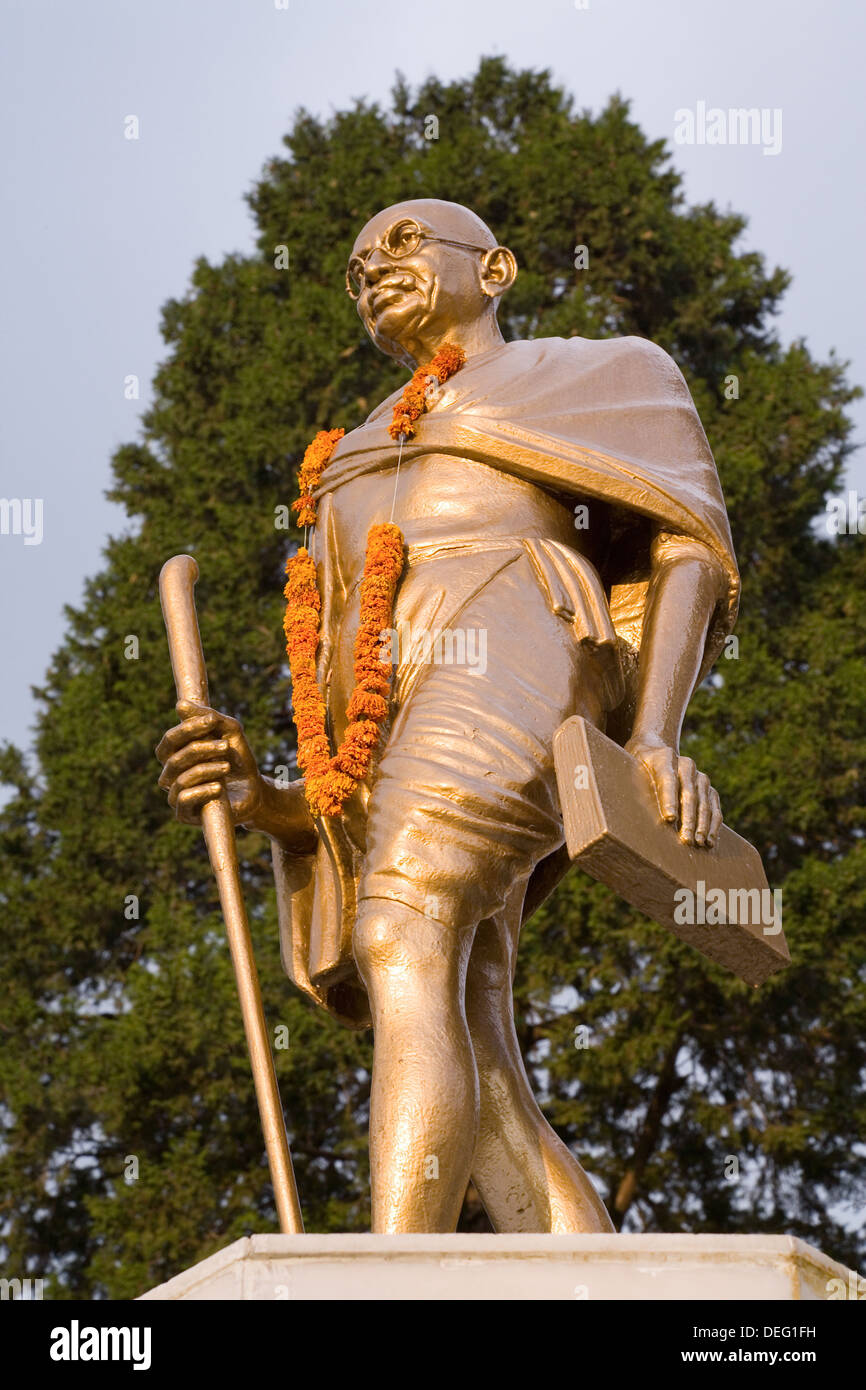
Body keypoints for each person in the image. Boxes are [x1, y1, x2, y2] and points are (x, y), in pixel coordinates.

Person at [156, 199, 738, 1234]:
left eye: (402, 244)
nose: (372, 270)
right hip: (392, 696)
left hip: (517, 626)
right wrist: (276, 802)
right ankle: (590, 1284)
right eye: (354, 268)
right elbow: (342, 669)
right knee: (469, 1020)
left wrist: (655, 733)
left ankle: (393, 1276)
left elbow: (685, 546)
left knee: (400, 925)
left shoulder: (599, 373)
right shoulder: (350, 452)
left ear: (495, 269)